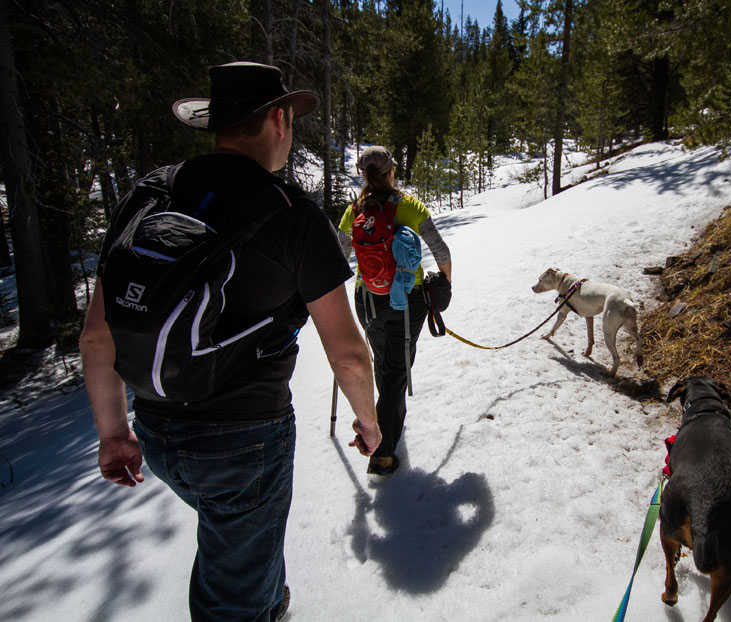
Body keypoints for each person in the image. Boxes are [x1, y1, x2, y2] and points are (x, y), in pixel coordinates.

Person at [79, 61, 381, 622]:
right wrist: (369, 421)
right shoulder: (294, 213)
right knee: (232, 590)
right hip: (246, 440)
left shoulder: (151, 193)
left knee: (243, 546)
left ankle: (271, 604)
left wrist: (113, 434)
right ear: (278, 119)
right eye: (289, 119)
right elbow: (346, 350)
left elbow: (97, 337)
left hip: (159, 429)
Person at [337, 146, 452, 476]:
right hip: (407, 301)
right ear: (392, 171)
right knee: (396, 370)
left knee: (385, 360)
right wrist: (445, 283)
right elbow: (440, 249)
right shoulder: (410, 206)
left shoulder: (354, 210)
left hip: (367, 299)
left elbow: (336, 258)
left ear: (364, 175)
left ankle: (382, 420)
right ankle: (382, 452)